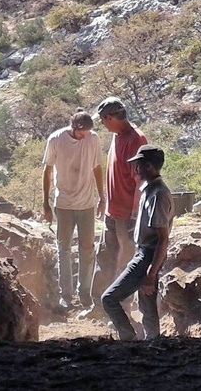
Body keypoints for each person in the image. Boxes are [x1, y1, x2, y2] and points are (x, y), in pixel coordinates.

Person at [101, 145, 172, 341]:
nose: (136, 170)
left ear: (148, 166)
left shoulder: (158, 194)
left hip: (147, 256)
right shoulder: (150, 191)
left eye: (138, 165)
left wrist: (150, 272)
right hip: (144, 254)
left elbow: (162, 238)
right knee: (147, 307)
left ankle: (128, 338)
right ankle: (152, 343)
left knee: (109, 299)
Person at [42, 110, 104, 311]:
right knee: (64, 248)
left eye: (87, 134)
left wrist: (102, 197)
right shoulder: (56, 139)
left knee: (87, 248)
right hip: (64, 204)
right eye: (82, 134)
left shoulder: (93, 140)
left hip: (87, 203)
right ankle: (65, 295)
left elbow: (97, 168)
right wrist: (45, 202)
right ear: (74, 127)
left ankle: (85, 293)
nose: (85, 137)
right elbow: (48, 170)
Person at [95, 96, 147, 288]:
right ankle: (98, 305)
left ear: (110, 118)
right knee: (104, 257)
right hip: (112, 210)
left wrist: (135, 216)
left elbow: (141, 181)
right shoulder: (117, 136)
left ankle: (122, 307)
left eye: (102, 120)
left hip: (127, 215)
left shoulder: (136, 140)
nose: (102, 125)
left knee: (126, 261)